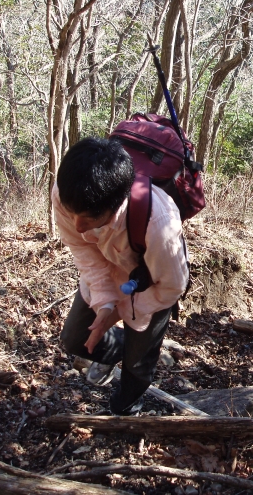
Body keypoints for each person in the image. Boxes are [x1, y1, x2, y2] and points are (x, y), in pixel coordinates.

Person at [53, 136, 188, 415]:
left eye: (88, 218)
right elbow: (82, 250)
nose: (77, 225)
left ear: (116, 204)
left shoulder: (159, 223)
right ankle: (120, 352)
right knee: (75, 339)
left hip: (153, 285)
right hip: (110, 273)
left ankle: (125, 410)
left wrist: (116, 312)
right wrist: (105, 302)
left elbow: (173, 287)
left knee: (138, 366)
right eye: (72, 213)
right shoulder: (68, 194)